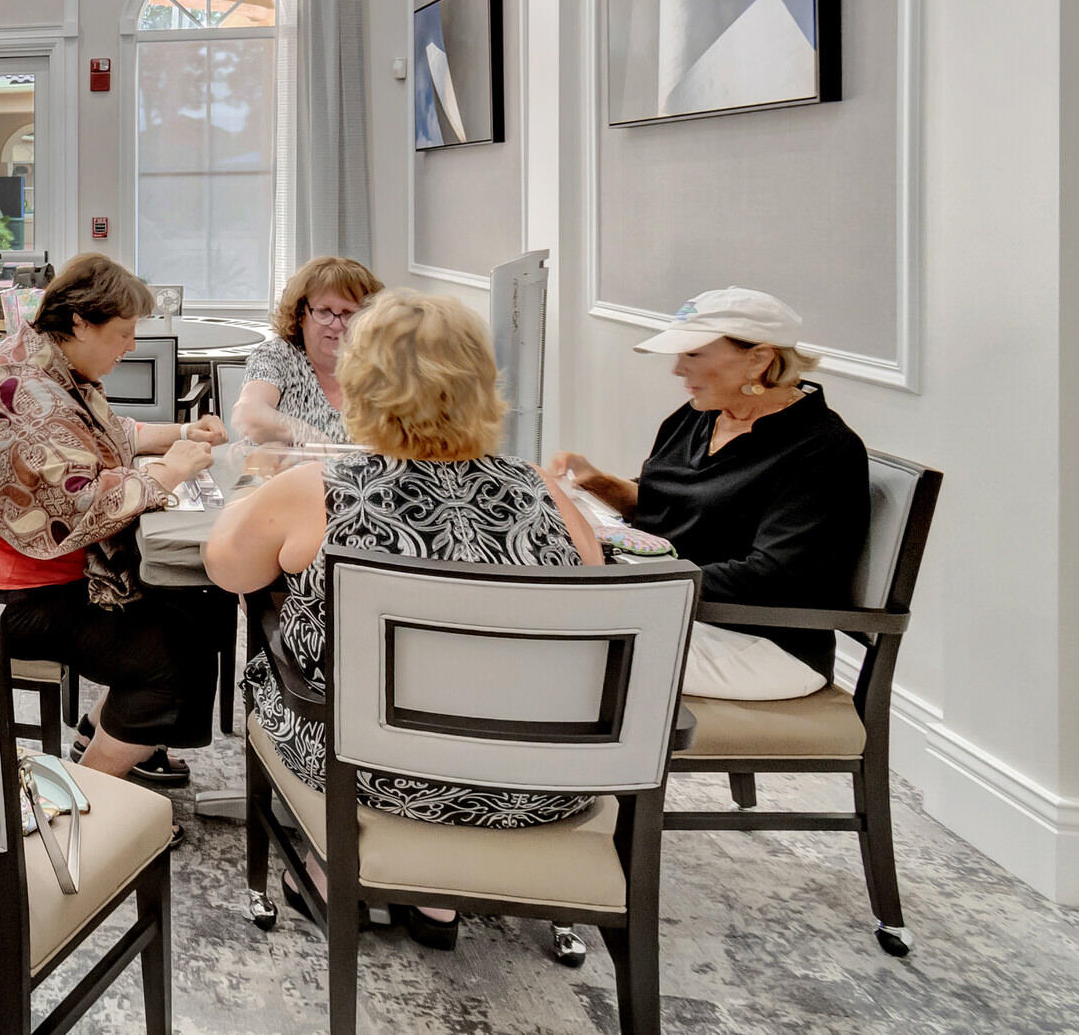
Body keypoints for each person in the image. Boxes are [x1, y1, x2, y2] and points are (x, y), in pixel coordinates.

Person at [204, 289, 604, 949]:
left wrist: (254, 485)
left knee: (272, 675)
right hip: (536, 782)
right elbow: (592, 589)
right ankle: (438, 900)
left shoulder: (320, 490)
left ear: (363, 384)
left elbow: (228, 571)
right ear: (482, 384)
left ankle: (335, 870)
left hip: (376, 776)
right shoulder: (542, 489)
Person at [0, 254, 232, 787]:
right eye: (125, 333)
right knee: (172, 658)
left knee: (193, 607)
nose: (131, 347)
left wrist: (179, 435)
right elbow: (81, 508)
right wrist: (167, 477)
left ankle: (108, 733)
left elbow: (103, 436)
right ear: (82, 323)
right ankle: (87, 794)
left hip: (14, 568)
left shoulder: (47, 365)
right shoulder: (25, 393)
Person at [546, 287, 868, 701]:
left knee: (554, 644)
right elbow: (671, 508)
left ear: (759, 359)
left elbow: (771, 576)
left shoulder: (822, 449)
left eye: (693, 354)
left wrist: (630, 579)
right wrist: (593, 481)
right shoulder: (698, 418)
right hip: (682, 612)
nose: (677, 370)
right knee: (542, 623)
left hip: (762, 645)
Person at [229, 255, 383, 444]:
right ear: (300, 315)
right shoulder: (278, 355)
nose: (335, 325)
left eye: (348, 313)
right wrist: (309, 436)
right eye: (323, 312)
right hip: (279, 471)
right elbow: (248, 414)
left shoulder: (381, 365)